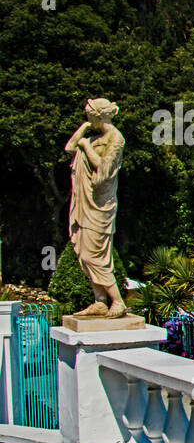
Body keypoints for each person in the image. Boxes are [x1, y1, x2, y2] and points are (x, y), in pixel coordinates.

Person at [65, 98, 127, 318]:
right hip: (87, 203)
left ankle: (117, 301)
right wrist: (83, 131)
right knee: (84, 253)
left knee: (95, 255)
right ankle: (100, 301)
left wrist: (85, 146)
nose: (87, 120)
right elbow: (69, 147)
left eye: (89, 116)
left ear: (99, 116)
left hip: (101, 204)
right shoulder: (94, 137)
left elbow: (102, 172)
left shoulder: (116, 138)